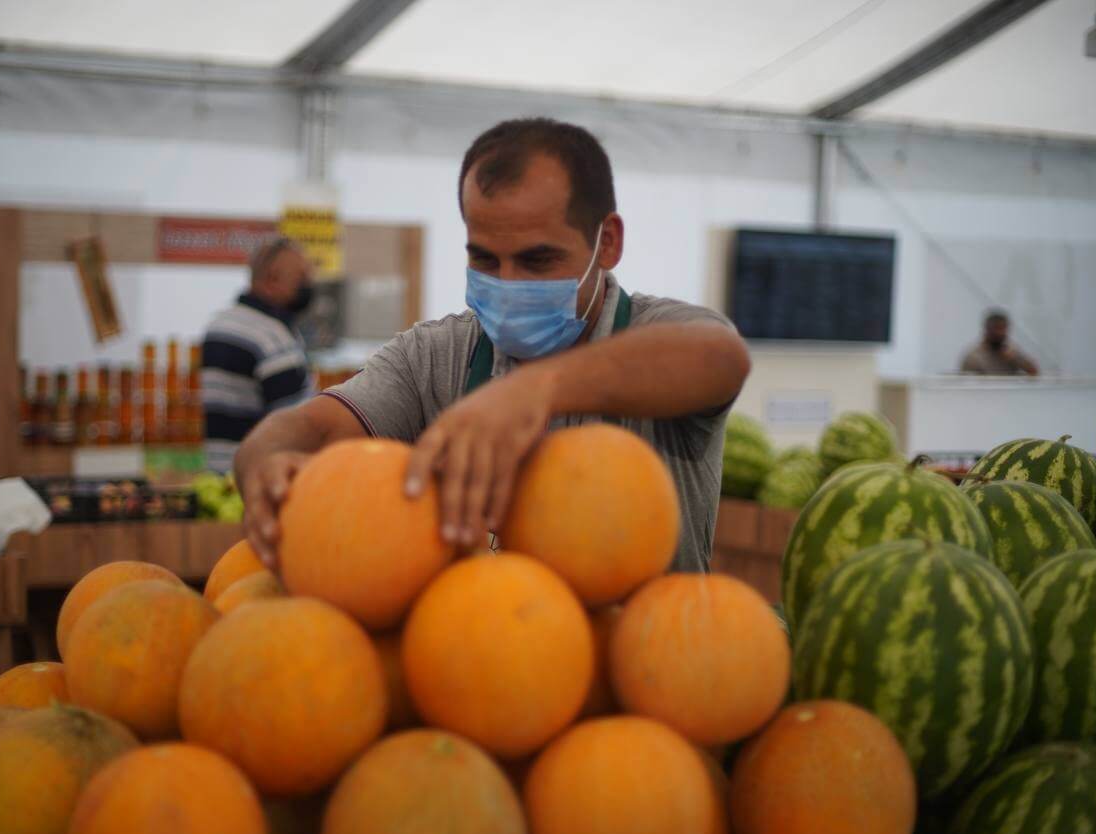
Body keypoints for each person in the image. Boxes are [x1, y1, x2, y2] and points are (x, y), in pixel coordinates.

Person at [235, 118, 750, 572]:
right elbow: (311, 430)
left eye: (538, 260)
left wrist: (536, 389)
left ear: (607, 242)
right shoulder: (436, 356)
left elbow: (720, 358)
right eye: (484, 259)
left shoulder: (658, 332)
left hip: (651, 668)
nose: (508, 282)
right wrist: (267, 459)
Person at [200, 236, 316, 473]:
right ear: (272, 279)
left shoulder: (219, 325)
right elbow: (297, 427)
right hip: (260, 478)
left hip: (219, 474)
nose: (309, 285)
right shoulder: (272, 338)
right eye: (301, 277)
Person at [960, 310, 1039, 376]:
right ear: (987, 329)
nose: (1000, 333)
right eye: (996, 328)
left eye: (1003, 329)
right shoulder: (973, 357)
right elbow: (968, 386)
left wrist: (1016, 359)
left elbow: (1034, 372)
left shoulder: (1012, 351)